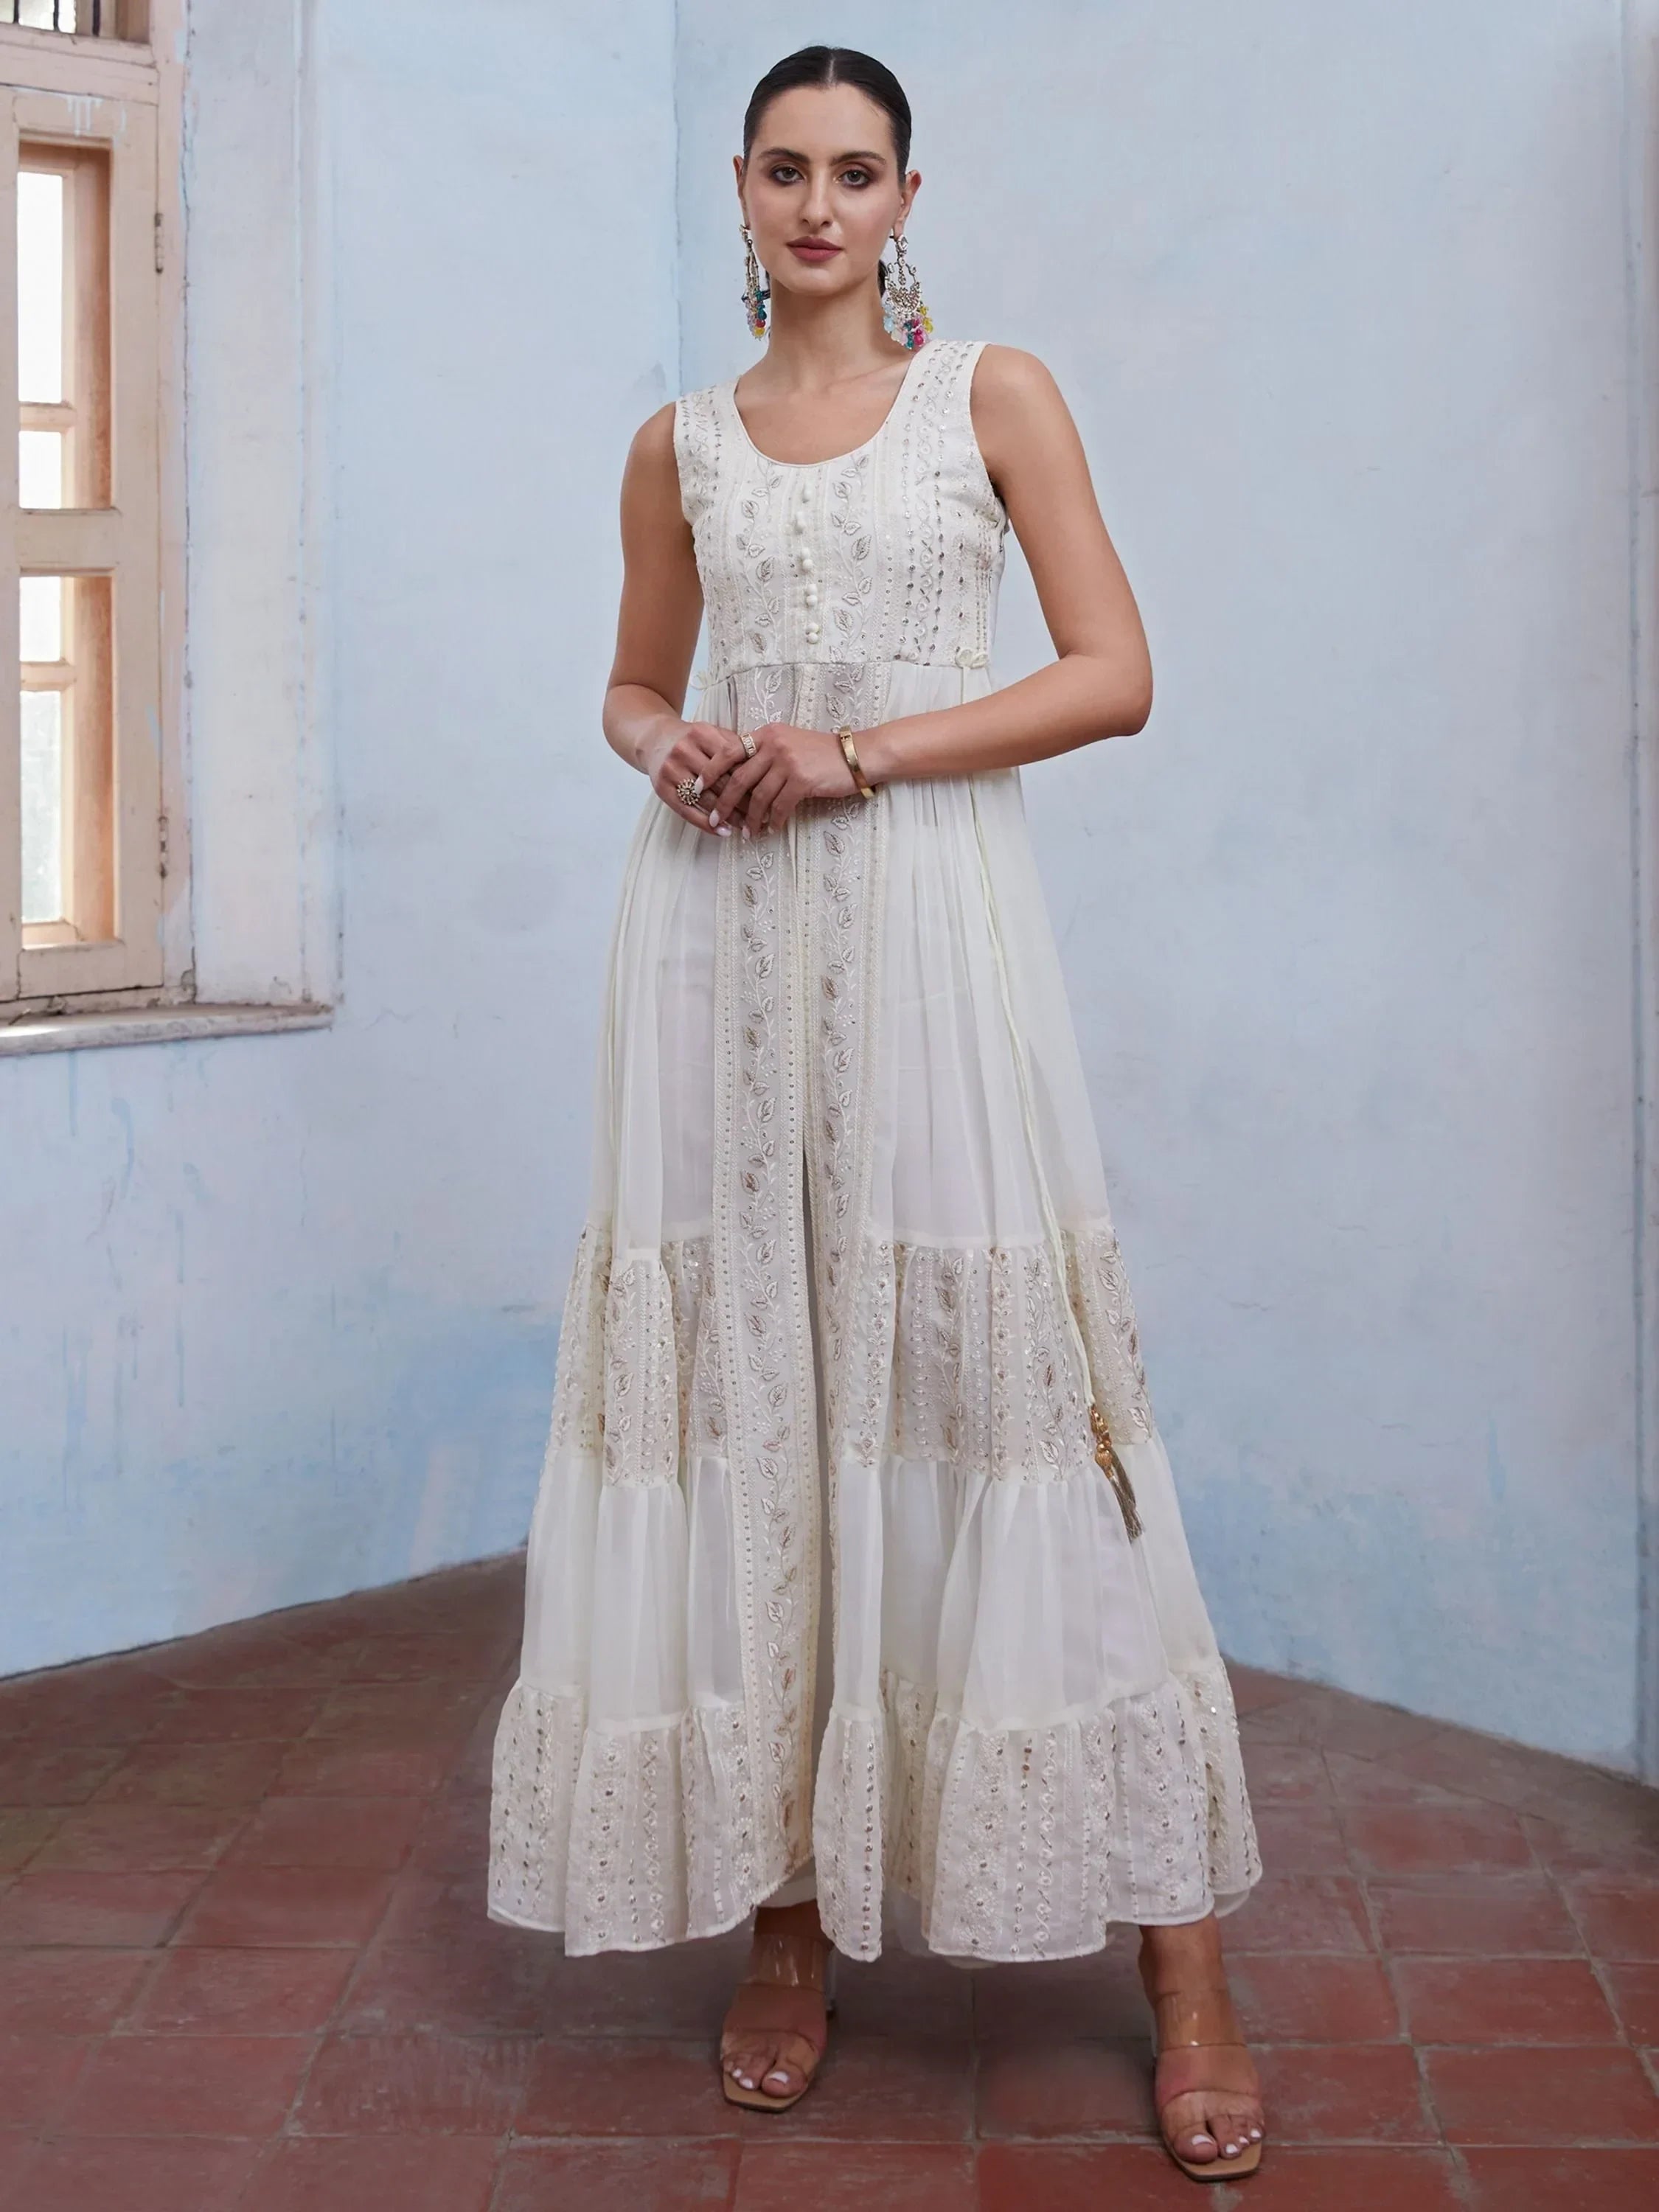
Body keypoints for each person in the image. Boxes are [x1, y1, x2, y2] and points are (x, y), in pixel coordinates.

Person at [487, 41, 1267, 2183]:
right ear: (739, 193)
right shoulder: (675, 445)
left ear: (909, 195)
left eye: (855, 171)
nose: (818, 205)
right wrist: (664, 744)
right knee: (758, 1397)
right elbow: (632, 681)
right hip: (714, 944)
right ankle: (787, 1924)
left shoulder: (992, 397)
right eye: (784, 170)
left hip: (929, 925)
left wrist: (862, 755)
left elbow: (1111, 672)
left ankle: (1189, 1973)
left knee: (1016, 1397)